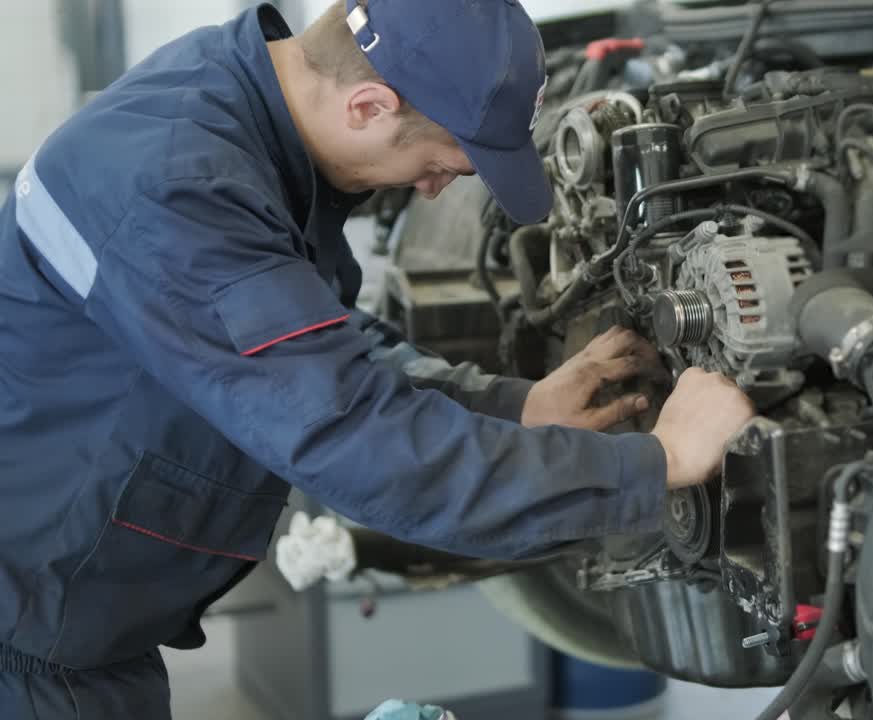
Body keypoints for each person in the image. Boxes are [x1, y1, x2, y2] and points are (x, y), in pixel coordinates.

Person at [0, 0, 756, 717]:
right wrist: (656, 465)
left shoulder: (231, 99)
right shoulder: (176, 186)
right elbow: (363, 444)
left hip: (80, 628)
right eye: (440, 164)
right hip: (30, 650)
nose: (432, 191)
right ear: (370, 107)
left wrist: (512, 405)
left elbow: (317, 348)